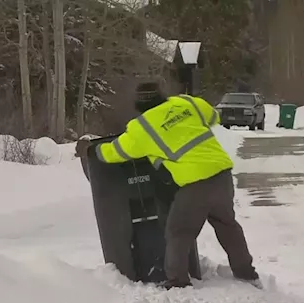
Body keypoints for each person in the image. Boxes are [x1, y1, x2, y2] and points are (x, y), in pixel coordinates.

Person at [76, 82, 262, 290]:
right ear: (162, 96)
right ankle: (246, 273)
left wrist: (91, 151)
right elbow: (213, 116)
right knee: (228, 226)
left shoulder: (142, 127)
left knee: (178, 231)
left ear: (138, 104)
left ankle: (177, 280)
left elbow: (117, 152)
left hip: (195, 185)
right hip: (222, 174)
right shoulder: (185, 102)